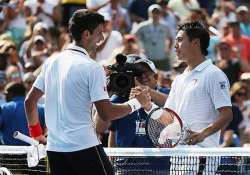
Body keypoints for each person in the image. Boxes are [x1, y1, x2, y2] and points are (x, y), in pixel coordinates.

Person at [24, 9, 150, 175]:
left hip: (55, 150)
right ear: (86, 34)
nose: (102, 38)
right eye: (99, 33)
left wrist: (36, 135)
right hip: (84, 147)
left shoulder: (51, 62)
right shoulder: (92, 68)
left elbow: (30, 102)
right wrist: (136, 103)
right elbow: (106, 114)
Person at [142, 21, 233, 174]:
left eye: (180, 40)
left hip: (201, 156)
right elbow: (169, 118)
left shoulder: (214, 74)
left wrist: (203, 134)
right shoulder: (179, 79)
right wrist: (147, 105)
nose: (175, 45)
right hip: (179, 156)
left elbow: (227, 114)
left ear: (195, 43)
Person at [108, 54, 170, 174]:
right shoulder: (119, 98)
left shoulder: (166, 94)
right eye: (135, 73)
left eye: (145, 72)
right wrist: (105, 89)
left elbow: (172, 106)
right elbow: (111, 130)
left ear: (156, 76)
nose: (141, 76)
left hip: (159, 166)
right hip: (126, 167)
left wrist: (145, 91)